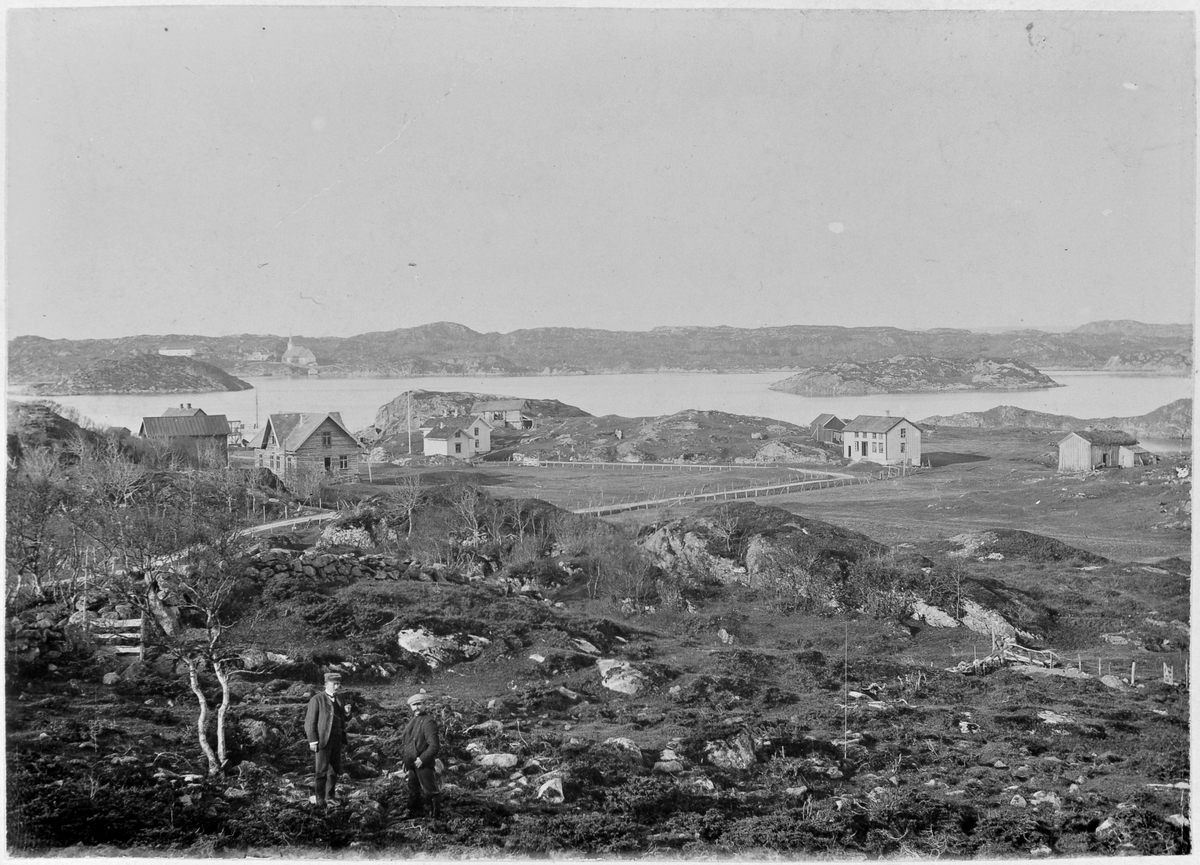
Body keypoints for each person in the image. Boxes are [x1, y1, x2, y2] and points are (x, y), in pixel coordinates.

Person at [304, 672, 352, 806]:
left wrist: (347, 713)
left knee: (334, 770)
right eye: (334, 684)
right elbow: (310, 722)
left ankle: (330, 797)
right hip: (322, 741)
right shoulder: (317, 699)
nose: (337, 686)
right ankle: (320, 801)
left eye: (338, 684)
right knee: (321, 772)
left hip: (337, 740)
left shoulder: (340, 698)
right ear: (326, 684)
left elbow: (344, 718)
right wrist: (312, 741)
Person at [400, 691, 442, 819]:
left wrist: (422, 759)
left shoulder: (429, 722)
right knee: (413, 789)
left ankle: (436, 817)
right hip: (412, 762)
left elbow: (434, 745)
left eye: (419, 704)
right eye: (413, 705)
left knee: (431, 791)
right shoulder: (414, 720)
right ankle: (413, 811)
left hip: (422, 763)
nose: (416, 707)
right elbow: (408, 742)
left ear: (425, 704)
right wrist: (405, 761)